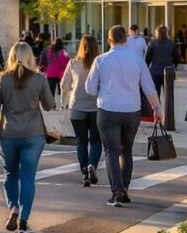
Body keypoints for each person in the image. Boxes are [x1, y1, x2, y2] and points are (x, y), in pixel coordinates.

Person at [86, 25, 163, 207]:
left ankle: (117, 190)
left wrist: (103, 89)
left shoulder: (100, 60)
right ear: (126, 39)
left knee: (111, 151)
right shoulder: (137, 60)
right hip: (131, 110)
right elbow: (149, 87)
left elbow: (90, 89)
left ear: (109, 40)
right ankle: (125, 188)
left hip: (107, 109)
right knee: (126, 150)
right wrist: (157, 108)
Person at [0, 42, 55, 233]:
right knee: (28, 177)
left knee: (10, 175)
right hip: (33, 135)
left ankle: (13, 207)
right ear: (31, 57)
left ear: (12, 57)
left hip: (8, 134)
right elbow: (49, 105)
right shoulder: (39, 79)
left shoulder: (2, 79)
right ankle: (24, 221)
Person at [61, 35, 102, 187]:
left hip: (77, 107)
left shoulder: (73, 63)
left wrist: (63, 101)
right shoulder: (100, 63)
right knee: (96, 140)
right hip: (96, 107)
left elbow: (64, 86)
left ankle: (84, 171)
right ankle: (92, 165)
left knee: (81, 141)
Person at [145, 25, 180, 96]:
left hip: (155, 71)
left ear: (156, 32)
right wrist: (174, 66)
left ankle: (157, 103)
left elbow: (147, 58)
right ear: (166, 33)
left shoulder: (152, 43)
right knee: (168, 95)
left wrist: (147, 68)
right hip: (168, 71)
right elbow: (176, 57)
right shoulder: (171, 43)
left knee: (155, 94)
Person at [40, 38, 69, 107]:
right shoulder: (64, 51)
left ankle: (52, 104)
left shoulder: (48, 51)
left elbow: (43, 60)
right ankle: (64, 103)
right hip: (61, 73)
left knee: (51, 90)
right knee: (63, 89)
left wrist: (43, 67)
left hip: (51, 73)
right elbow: (68, 60)